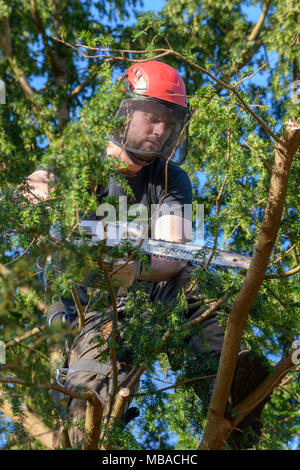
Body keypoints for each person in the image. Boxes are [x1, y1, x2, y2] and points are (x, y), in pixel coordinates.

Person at [26, 60, 270, 450]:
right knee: (84, 420)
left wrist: (132, 265)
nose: (161, 130)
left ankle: (228, 379)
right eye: (153, 118)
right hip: (90, 309)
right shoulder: (82, 161)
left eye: (169, 122)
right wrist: (40, 194)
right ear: (125, 112)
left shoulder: (171, 178)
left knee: (195, 278)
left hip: (147, 294)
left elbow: (172, 252)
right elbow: (39, 184)